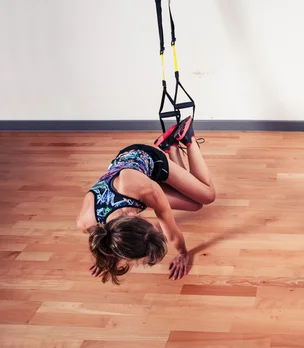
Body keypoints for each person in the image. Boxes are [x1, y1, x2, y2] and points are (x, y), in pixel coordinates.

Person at [76, 116, 216, 284]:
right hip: (131, 176)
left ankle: (187, 139)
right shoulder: (86, 224)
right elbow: (101, 244)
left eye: (153, 228)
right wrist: (104, 258)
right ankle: (170, 145)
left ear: (136, 216)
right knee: (194, 205)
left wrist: (183, 254)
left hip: (146, 157)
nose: (157, 228)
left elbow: (172, 234)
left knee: (207, 196)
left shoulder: (145, 190)